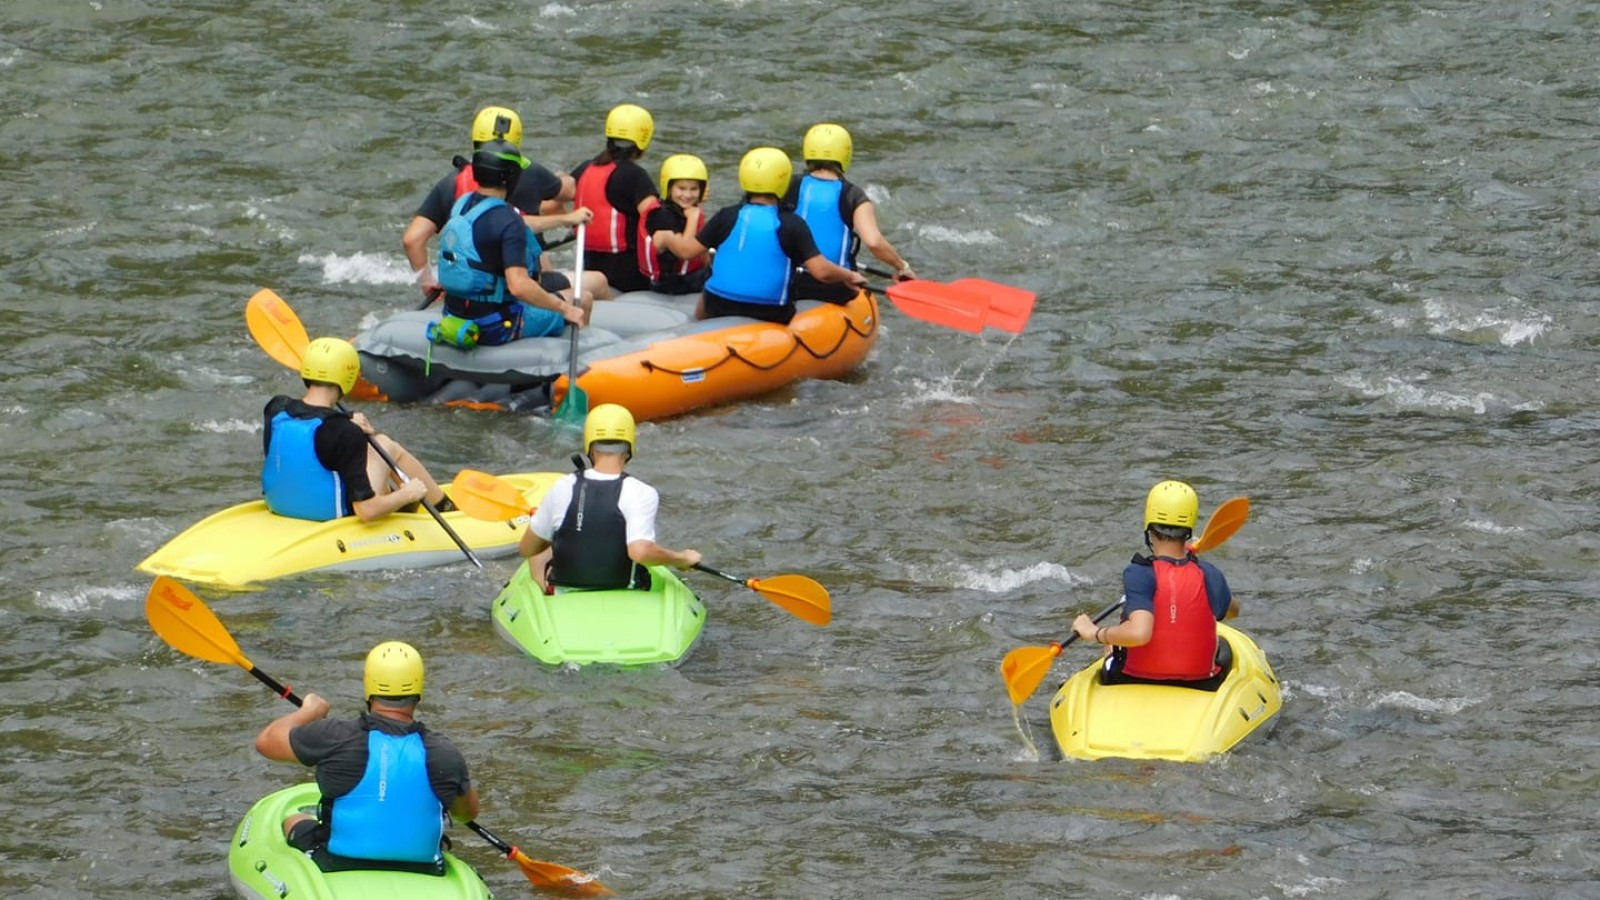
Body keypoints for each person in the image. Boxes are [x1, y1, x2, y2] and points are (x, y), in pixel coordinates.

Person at [254, 641, 479, 873]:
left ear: (368, 684)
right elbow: (465, 814)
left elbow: (266, 741)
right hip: (423, 868)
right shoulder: (444, 752)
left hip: (338, 862)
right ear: (418, 688)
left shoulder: (336, 735)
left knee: (294, 819)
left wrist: (310, 712)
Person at [656, 147, 866, 325]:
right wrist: (849, 275)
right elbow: (822, 272)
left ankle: (699, 329)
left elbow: (687, 251)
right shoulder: (792, 224)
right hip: (770, 312)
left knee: (708, 290)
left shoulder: (726, 215)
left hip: (716, 306)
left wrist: (666, 237)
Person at [403, 105, 592, 304]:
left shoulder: (451, 183)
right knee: (597, 282)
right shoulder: (530, 173)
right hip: (514, 287)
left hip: (466, 288)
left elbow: (412, 240)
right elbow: (570, 191)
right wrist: (562, 201)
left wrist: (428, 284)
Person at [1072, 481, 1240, 690]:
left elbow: (1139, 634)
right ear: (1188, 528)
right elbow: (1233, 611)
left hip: (1134, 680)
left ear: (1149, 526)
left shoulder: (1139, 573)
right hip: (1202, 683)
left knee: (1113, 640)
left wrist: (1094, 632)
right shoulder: (1209, 573)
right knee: (1224, 644)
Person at [261, 337, 450, 523]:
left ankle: (408, 505)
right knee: (384, 444)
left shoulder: (276, 409)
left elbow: (311, 424)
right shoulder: (345, 432)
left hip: (280, 505)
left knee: (373, 447)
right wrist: (408, 494)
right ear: (348, 376)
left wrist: (346, 420)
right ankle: (446, 509)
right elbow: (366, 511)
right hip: (330, 517)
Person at [519, 403, 701, 591]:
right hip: (625, 590)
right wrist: (681, 558)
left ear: (589, 444)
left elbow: (526, 549)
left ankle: (545, 591)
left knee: (540, 547)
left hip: (566, 596)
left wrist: (544, 522)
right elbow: (641, 551)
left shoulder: (562, 486)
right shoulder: (641, 492)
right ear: (630, 445)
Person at [436, 139, 590, 345]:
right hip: (498, 325)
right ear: (510, 177)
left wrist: (566, 220)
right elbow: (518, 286)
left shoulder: (462, 206)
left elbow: (504, 230)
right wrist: (565, 309)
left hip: (455, 315)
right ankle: (580, 362)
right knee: (584, 299)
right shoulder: (508, 219)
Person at [785, 123, 916, 303]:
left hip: (786, 284)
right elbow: (874, 242)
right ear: (845, 154)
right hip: (835, 288)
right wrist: (902, 267)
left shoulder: (785, 186)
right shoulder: (852, 195)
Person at [570, 104, 660, 297]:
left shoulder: (587, 168)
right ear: (643, 140)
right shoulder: (636, 175)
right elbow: (655, 218)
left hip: (591, 266)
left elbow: (552, 204)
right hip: (630, 278)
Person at [639, 153, 711, 295]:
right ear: (669, 188)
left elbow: (703, 251)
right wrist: (693, 218)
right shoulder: (661, 217)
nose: (688, 195)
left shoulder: (687, 210)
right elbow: (685, 251)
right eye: (681, 188)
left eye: (694, 189)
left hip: (688, 278)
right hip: (667, 286)